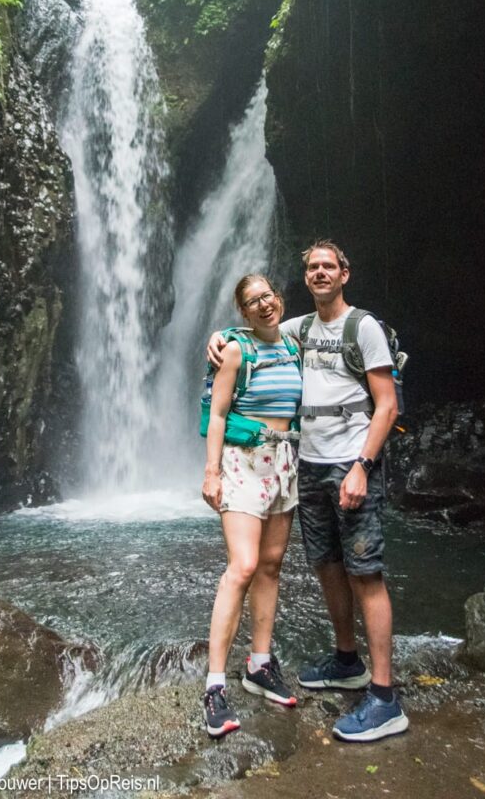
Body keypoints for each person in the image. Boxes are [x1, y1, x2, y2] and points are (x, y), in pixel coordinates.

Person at [207, 241, 409, 742]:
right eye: (312, 267)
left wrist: (363, 465)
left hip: (349, 463)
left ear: (345, 273)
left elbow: (387, 406)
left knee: (366, 572)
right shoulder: (298, 330)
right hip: (306, 464)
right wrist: (219, 335)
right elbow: (254, 333)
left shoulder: (363, 328)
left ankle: (385, 698)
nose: (320, 273)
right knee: (327, 565)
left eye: (328, 266)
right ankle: (347, 660)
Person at [201, 273, 303, 738]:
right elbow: (218, 413)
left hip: (283, 461)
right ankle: (214, 686)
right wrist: (211, 472)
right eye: (252, 301)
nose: (264, 305)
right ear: (242, 312)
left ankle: (259, 664)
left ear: (278, 300)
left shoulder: (294, 343)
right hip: (243, 463)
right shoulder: (237, 349)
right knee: (241, 566)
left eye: (268, 296)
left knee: (271, 565)